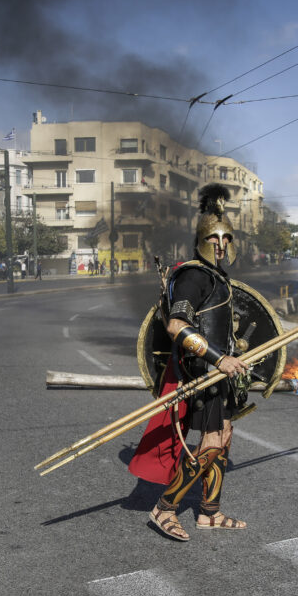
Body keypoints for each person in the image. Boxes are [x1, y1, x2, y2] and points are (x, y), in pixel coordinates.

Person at [129, 183, 251, 541]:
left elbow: (218, 327)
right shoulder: (194, 275)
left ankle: (209, 513)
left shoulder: (218, 278)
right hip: (201, 374)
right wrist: (218, 358)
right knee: (212, 440)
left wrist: (233, 350)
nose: (222, 245)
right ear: (203, 240)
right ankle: (165, 508)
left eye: (227, 239)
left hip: (219, 376)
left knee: (223, 437)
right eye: (216, 239)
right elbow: (177, 326)